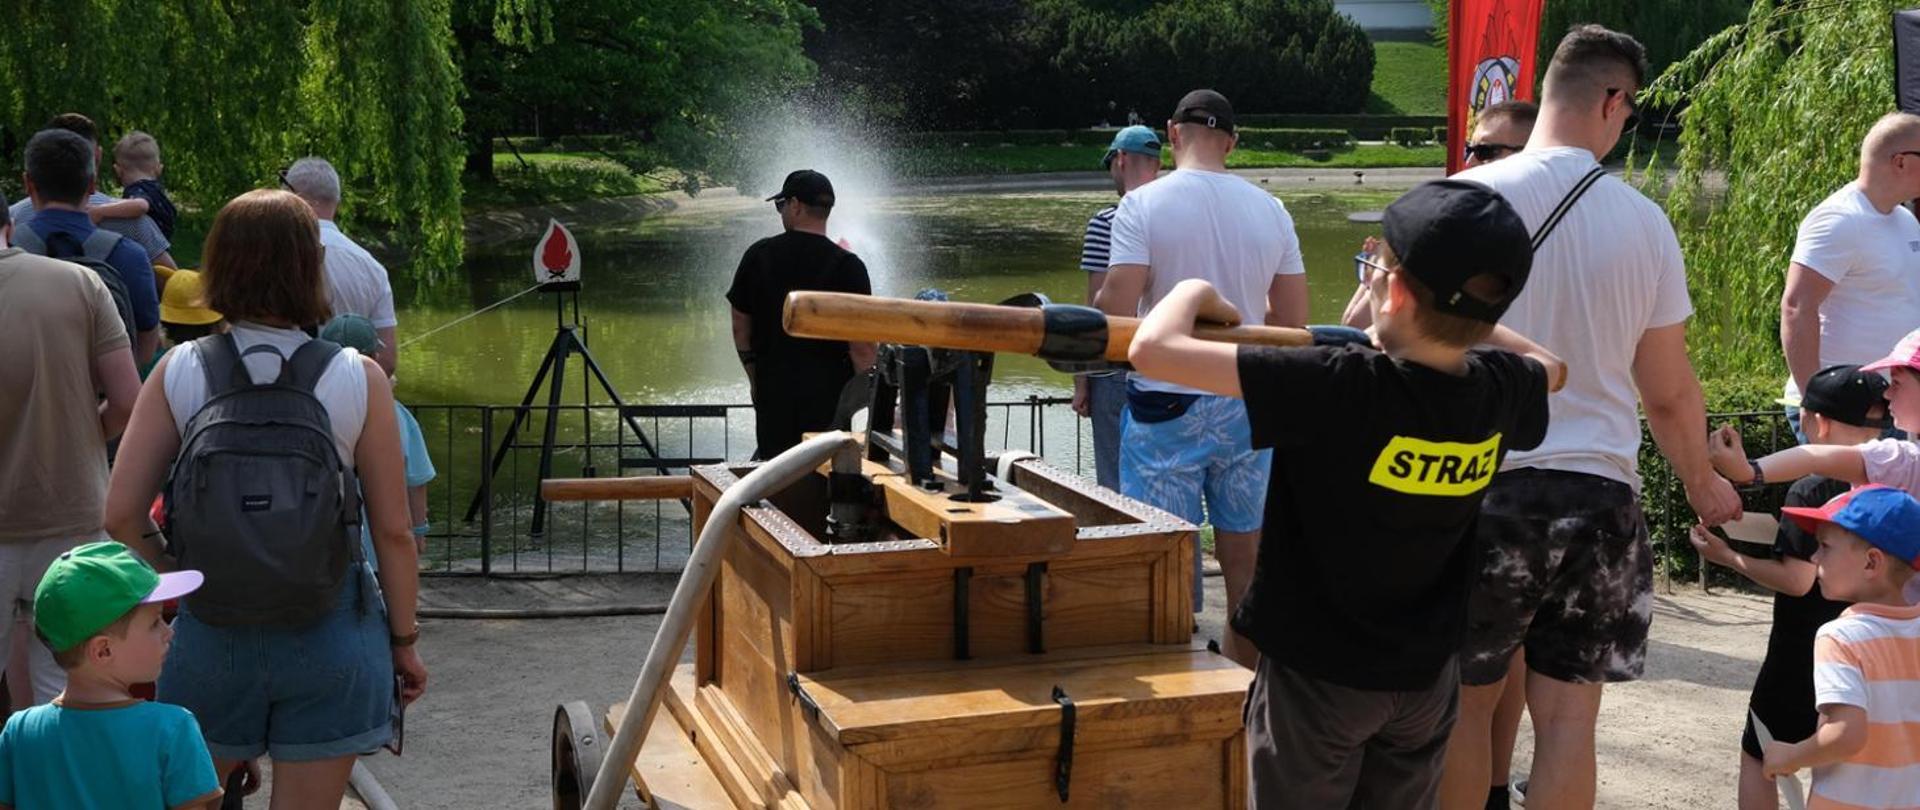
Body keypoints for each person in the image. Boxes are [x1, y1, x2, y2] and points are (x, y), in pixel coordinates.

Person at [1129, 179, 1562, 807]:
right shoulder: (1499, 388)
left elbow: (1151, 350)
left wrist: (1194, 289)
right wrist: (1475, 327)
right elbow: (1554, 368)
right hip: (1426, 678)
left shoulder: (1338, 383)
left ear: (1395, 292)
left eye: (1373, 267)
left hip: (1318, 676)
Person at [1438, 25, 1743, 810]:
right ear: (1612, 100)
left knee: (1462, 710)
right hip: (1599, 497)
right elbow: (1668, 391)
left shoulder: (1463, 202)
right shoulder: (1644, 223)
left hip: (1481, 486)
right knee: (1570, 724)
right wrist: (1700, 482)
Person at [103, 189, 427, 806]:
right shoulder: (357, 376)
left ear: (219, 265)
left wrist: (182, 577)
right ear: (311, 267)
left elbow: (120, 514)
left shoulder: (179, 369)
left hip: (212, 631)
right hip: (330, 627)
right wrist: (404, 642)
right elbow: (394, 531)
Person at [1096, 89, 1309, 667]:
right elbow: (1292, 322)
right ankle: (1246, 691)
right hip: (1247, 398)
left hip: (1165, 401)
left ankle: (1171, 691)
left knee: (1160, 559)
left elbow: (1117, 309)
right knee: (1247, 563)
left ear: (1172, 133)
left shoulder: (1141, 205)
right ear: (1231, 144)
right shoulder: (1271, 210)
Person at [1689, 365, 1885, 810]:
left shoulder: (1810, 489)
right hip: (1873, 642)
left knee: (1759, 753)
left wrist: (1728, 557)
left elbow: (1798, 581)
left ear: (1818, 421)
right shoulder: (1895, 478)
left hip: (1803, 650)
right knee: (1843, 762)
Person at [0, 184, 143, 706]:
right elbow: (127, 400)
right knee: (65, 691)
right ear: (10, 228)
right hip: (72, 515)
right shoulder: (80, 284)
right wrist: (83, 438)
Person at [0, 542, 219, 808]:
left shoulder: (18, 731)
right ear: (103, 650)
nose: (168, 631)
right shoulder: (173, 729)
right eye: (155, 623)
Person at [1760, 486, 1920, 808]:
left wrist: (1790, 755)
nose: (1814, 557)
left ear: (1871, 563)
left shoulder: (1840, 637)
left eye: (1824, 546)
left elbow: (1846, 734)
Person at [1779, 113, 1920, 443]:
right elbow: (1796, 308)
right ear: (1900, 161)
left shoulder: (1905, 221)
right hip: (1844, 410)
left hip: (1894, 404)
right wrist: (1814, 401)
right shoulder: (1839, 219)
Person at [1342, 100, 1538, 331]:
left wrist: (1380, 270)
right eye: (1469, 150)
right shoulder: (1570, 223)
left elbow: (1356, 324)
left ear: (1528, 153)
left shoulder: (1446, 226)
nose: (1469, 162)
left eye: (1485, 151)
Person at [727, 169, 877, 459]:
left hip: (774, 393)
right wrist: (868, 403)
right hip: (830, 399)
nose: (781, 211)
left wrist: (755, 378)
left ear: (795, 205)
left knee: (776, 473)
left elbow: (740, 326)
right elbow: (863, 348)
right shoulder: (848, 266)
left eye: (780, 204)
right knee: (827, 472)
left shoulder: (759, 255)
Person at [16, 127, 163, 362]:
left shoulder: (8, 251)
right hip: (105, 382)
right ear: (92, 184)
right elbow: (146, 344)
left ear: (27, 183)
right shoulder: (130, 257)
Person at [1072, 125, 1161, 490]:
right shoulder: (1177, 216)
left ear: (1120, 159)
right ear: (1157, 164)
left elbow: (1097, 310)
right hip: (1169, 361)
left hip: (1116, 366)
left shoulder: (1106, 222)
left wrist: (1082, 381)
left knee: (1115, 479)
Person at [321, 314, 437, 557]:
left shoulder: (311, 409)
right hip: (383, 554)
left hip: (324, 551)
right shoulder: (397, 415)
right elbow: (416, 481)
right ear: (374, 357)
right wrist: (419, 532)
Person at [9, 113, 176, 268]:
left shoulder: (10, 222)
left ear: (28, 182)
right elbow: (171, 279)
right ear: (97, 157)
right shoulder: (134, 224)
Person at [281, 157, 399, 375]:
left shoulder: (269, 253)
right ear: (337, 200)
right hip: (348, 388)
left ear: (293, 196)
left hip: (280, 384)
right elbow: (387, 360)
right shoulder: (373, 268)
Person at [89, 131, 178, 240]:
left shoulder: (138, 189)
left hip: (145, 246)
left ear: (118, 171)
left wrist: (100, 211)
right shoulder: (156, 191)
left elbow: (141, 205)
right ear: (158, 169)